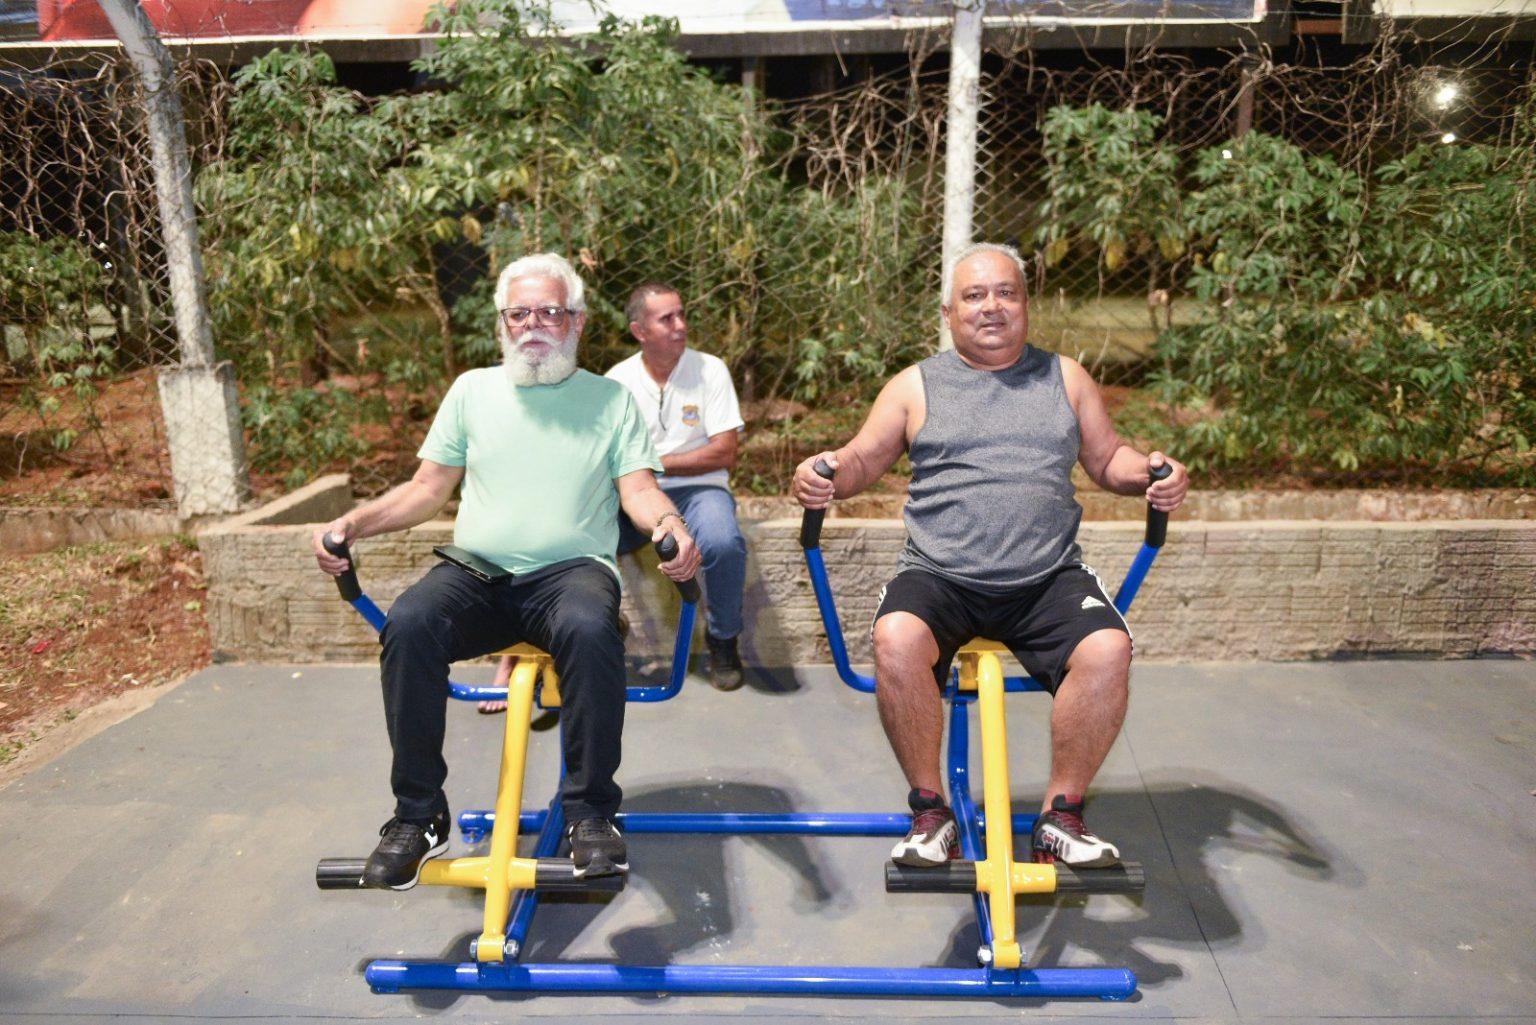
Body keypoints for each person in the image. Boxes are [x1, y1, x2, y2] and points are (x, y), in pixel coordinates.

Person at [791, 242, 1188, 869]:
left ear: (1026, 306)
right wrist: (826, 475)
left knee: (1108, 647)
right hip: (939, 574)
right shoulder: (915, 386)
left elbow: (1110, 460)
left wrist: (1153, 473)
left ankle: (1061, 817)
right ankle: (931, 814)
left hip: (1047, 575)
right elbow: (862, 459)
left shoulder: (1066, 378)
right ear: (949, 314)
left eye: (1006, 292)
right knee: (896, 639)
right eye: (974, 296)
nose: (991, 306)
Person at [312, 252, 700, 886]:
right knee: (408, 623)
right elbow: (426, 488)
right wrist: (354, 523)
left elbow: (638, 490)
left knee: (589, 625)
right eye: (519, 313)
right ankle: (418, 817)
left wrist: (670, 525)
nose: (533, 324)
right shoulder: (471, 390)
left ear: (576, 322)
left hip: (571, 573)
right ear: (501, 324)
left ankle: (590, 814)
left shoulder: (610, 400)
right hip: (477, 574)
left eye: (549, 311)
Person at [605, 282, 749, 691]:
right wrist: (637, 476)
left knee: (722, 543)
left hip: (700, 489)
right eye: (667, 318)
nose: (680, 325)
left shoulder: (710, 369)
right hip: (633, 494)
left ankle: (723, 640)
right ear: (639, 331)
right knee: (578, 538)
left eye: (682, 314)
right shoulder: (618, 381)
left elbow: (723, 453)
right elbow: (607, 459)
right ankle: (600, 625)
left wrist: (653, 463)